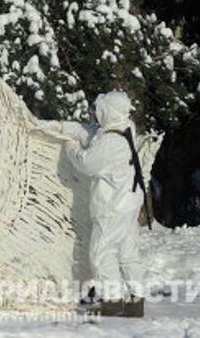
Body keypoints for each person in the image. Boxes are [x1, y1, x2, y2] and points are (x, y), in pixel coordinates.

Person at [38, 91, 146, 317]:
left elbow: (87, 163)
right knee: (127, 252)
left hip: (112, 206)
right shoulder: (125, 128)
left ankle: (112, 300)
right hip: (129, 202)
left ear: (108, 112)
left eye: (101, 110)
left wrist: (70, 147)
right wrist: (63, 127)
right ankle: (136, 302)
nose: (97, 114)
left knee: (101, 252)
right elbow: (89, 132)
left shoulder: (110, 141)